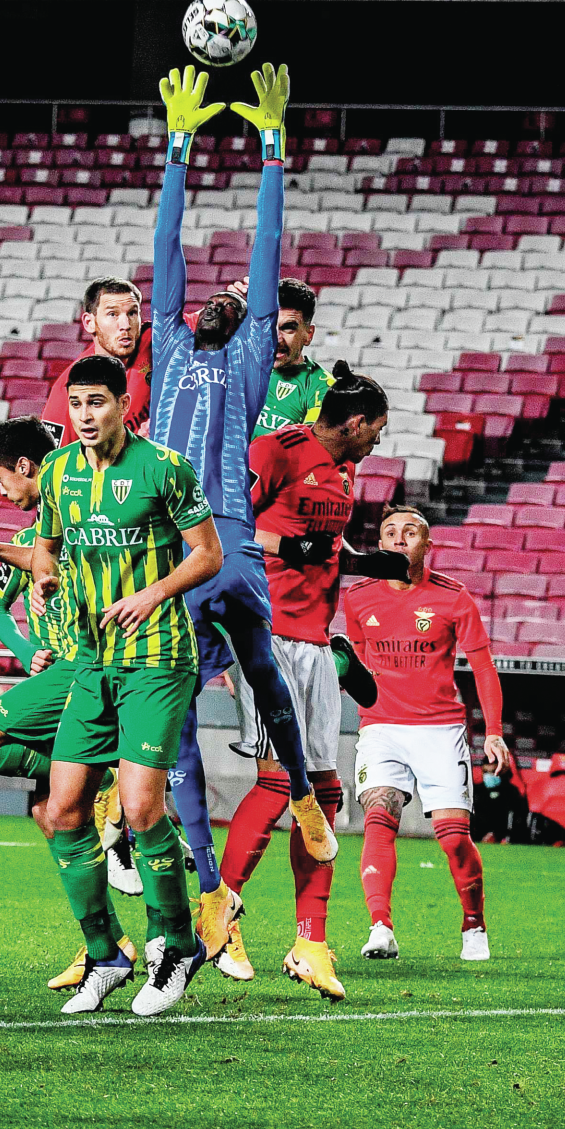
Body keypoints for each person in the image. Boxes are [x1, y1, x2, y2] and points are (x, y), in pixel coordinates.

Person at [148, 63, 338, 889]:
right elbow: (166, 245)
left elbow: (266, 249)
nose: (226, 295)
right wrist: (178, 149)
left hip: (223, 535)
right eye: (214, 293)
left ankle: (299, 791)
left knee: (261, 671)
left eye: (238, 294)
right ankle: (205, 877)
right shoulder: (169, 345)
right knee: (179, 705)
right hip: (169, 539)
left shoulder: (254, 352)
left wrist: (272, 149)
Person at [29, 352, 224, 1019]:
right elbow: (47, 544)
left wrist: (153, 593)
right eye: (76, 403)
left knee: (141, 810)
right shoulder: (57, 471)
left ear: (122, 402)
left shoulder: (164, 468)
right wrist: (43, 574)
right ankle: (105, 952)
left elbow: (208, 553)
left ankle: (178, 943)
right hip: (91, 660)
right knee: (62, 811)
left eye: (97, 403)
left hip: (158, 656)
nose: (84, 415)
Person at [220, 366, 397, 999]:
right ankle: (221, 911)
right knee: (278, 784)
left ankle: (310, 942)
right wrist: (282, 547)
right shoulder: (276, 449)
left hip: (317, 639)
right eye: (375, 429)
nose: (377, 440)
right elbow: (226, 525)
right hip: (267, 635)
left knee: (322, 789)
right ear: (354, 423)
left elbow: (327, 545)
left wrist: (366, 561)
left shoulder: (345, 473)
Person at [0, 415, 140, 989]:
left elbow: (64, 567)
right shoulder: (28, 537)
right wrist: (28, 645)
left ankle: (108, 779)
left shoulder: (83, 514)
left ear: (25, 467)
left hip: (85, 665)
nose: (1, 491)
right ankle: (107, 945)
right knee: (51, 816)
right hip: (57, 664)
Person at [343, 506, 508, 964]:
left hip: (440, 729)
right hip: (380, 726)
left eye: (410, 532)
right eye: (390, 532)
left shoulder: (454, 599)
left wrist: (493, 732)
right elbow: (357, 665)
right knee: (379, 814)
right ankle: (381, 926)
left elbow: (482, 667)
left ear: (426, 545)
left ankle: (473, 924)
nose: (398, 539)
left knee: (453, 836)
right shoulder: (357, 598)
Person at [39, 277, 153, 446]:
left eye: (132, 313)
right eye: (112, 314)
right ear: (89, 323)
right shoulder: (66, 393)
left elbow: (201, 320)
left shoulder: (153, 339)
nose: (125, 324)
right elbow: (52, 466)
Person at [251, 278, 334, 439]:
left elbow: (309, 446)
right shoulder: (240, 364)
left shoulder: (322, 387)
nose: (276, 339)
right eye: (269, 327)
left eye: (288, 328)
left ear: (308, 334)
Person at [471, 753, 530, 845]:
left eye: (493, 771)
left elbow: (518, 819)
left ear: (501, 771)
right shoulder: (475, 792)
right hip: (477, 839)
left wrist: (497, 835)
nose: (489, 775)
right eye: (486, 772)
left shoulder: (512, 792)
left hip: (504, 841)